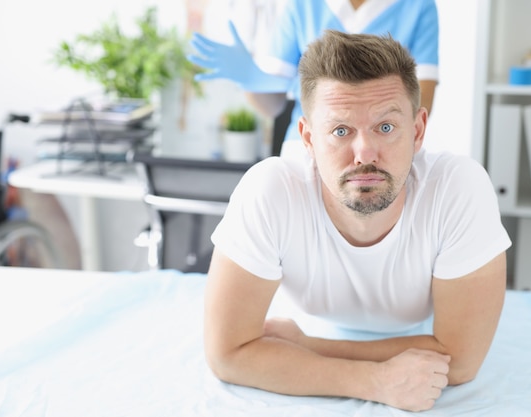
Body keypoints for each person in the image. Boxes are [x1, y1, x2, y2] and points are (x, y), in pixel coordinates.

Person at [204, 30, 511, 412]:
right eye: (340, 130)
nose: (365, 152)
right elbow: (228, 354)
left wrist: (307, 346)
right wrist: (374, 381)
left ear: (417, 131)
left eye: (385, 127)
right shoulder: (269, 191)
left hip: (305, 334)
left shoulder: (458, 189)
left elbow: (461, 361)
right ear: (309, 138)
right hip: (311, 322)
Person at [188, 0, 439, 156]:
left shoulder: (418, 5)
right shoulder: (303, 4)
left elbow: (419, 104)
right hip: (304, 152)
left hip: (378, 153)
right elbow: (273, 105)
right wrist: (250, 81)